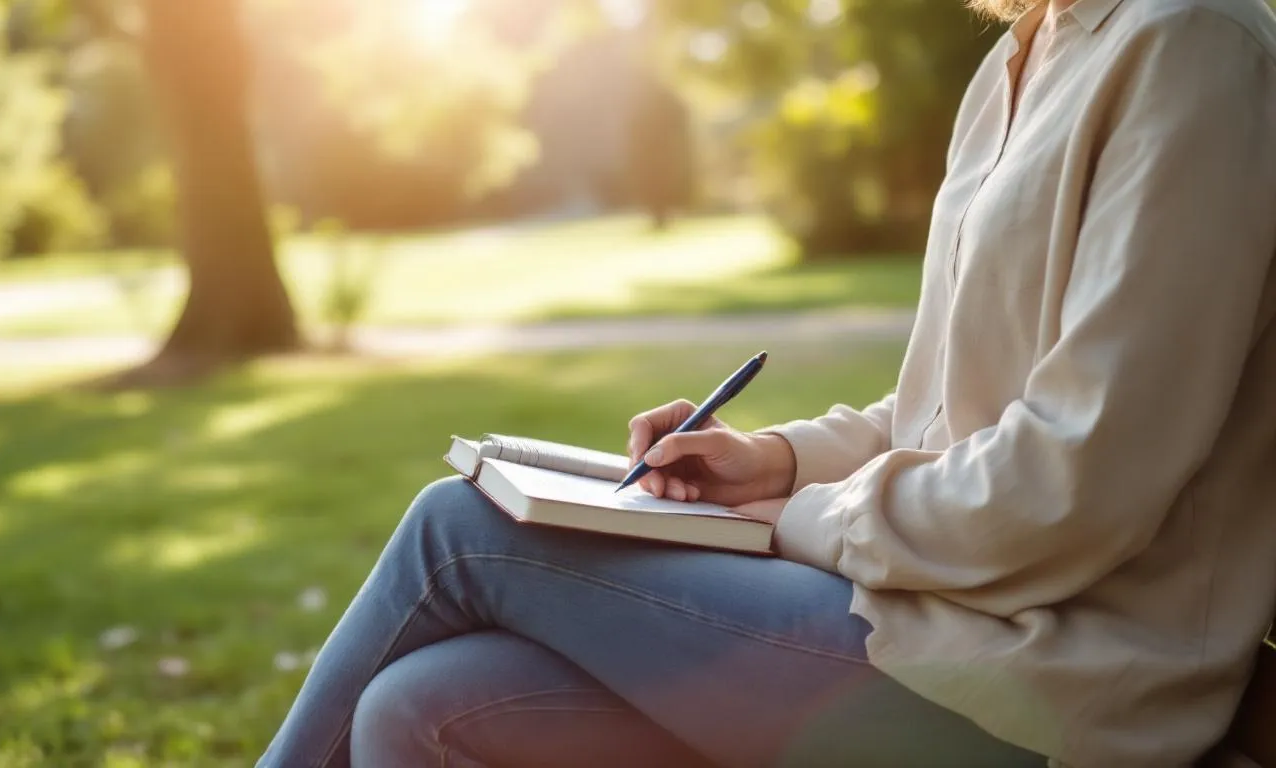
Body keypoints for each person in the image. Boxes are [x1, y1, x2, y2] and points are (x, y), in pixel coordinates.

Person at [258, 0, 1276, 765]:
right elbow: (939, 405)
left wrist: (800, 514)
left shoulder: (1190, 47)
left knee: (459, 530)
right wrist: (771, 459)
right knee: (418, 707)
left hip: (1062, 674)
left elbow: (1077, 479)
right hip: (925, 611)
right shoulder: (1022, 58)